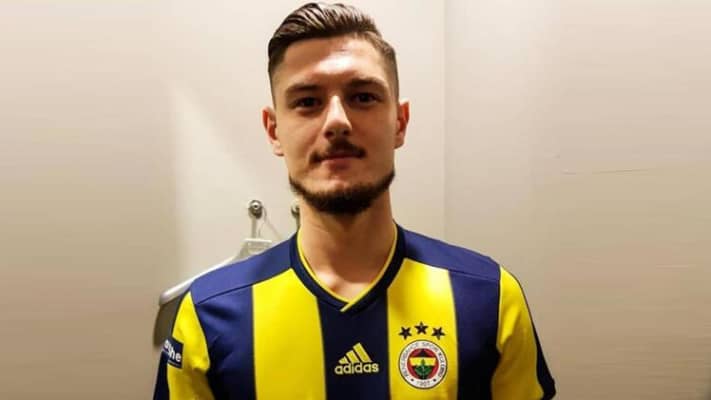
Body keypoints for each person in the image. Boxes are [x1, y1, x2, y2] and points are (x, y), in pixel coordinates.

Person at [153, 2, 556, 399]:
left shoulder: (490, 297)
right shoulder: (207, 315)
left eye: (362, 97)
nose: (337, 121)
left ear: (400, 123)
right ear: (274, 130)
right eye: (307, 101)